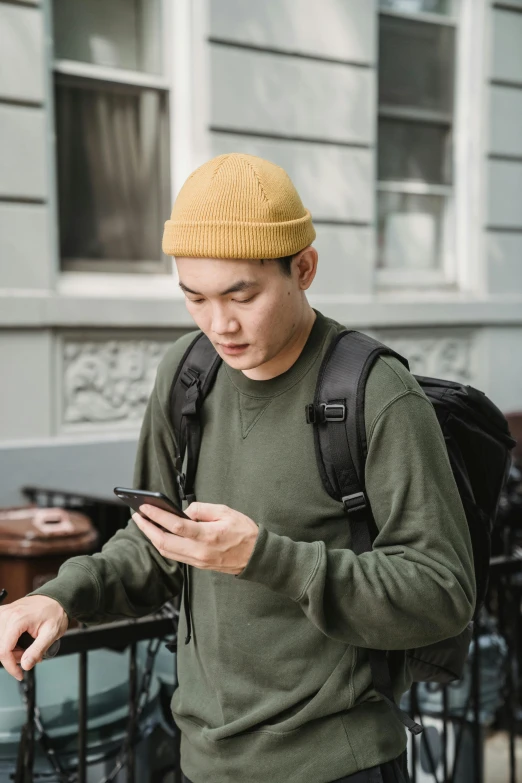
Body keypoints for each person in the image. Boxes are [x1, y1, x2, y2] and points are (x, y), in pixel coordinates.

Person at [0, 154, 475, 783]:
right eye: (194, 297)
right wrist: (61, 597)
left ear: (303, 268)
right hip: (204, 760)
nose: (219, 323)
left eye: (240, 294)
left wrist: (264, 558)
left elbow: (443, 593)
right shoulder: (187, 374)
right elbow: (156, 546)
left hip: (339, 762)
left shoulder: (377, 393)